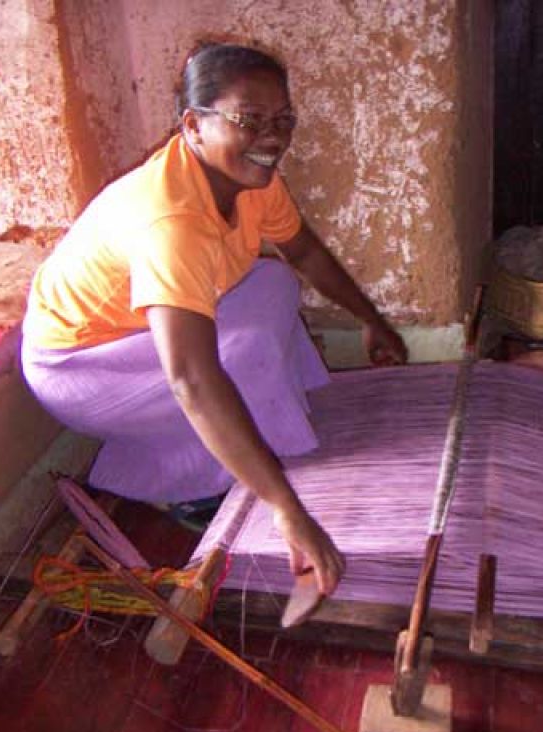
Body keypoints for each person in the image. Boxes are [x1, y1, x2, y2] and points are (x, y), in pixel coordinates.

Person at [21, 42, 407, 598]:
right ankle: (185, 487)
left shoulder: (250, 182)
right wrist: (288, 510)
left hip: (130, 338)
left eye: (282, 120)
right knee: (235, 357)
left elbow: (302, 253)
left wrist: (371, 319)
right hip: (79, 371)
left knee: (272, 284)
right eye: (249, 121)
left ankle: (263, 432)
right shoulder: (171, 222)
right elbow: (191, 379)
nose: (273, 138)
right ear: (193, 126)